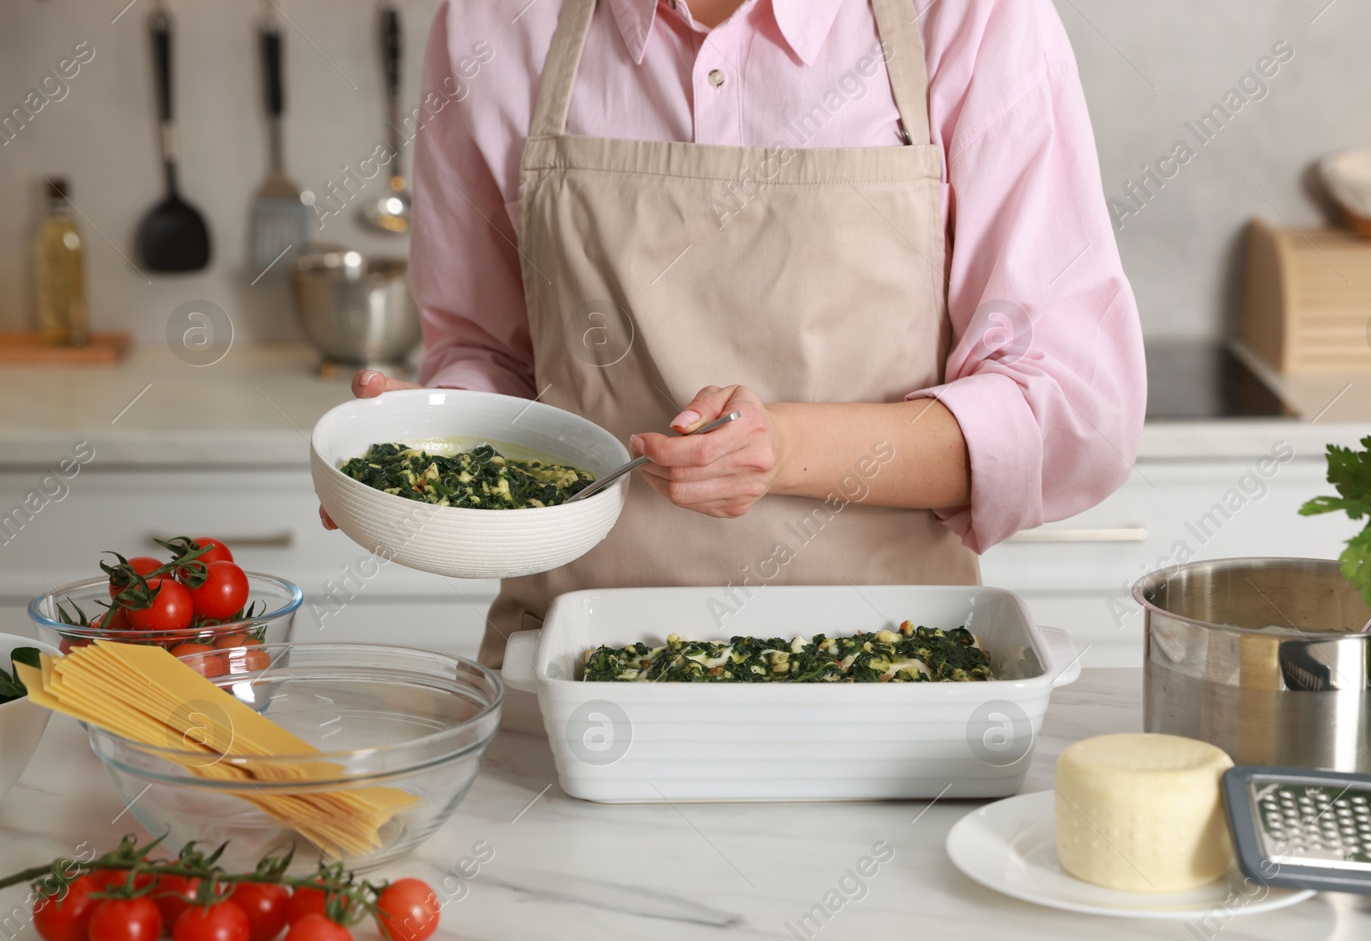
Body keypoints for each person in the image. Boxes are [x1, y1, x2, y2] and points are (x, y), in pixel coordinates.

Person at [328, 0, 1146, 665]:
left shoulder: (971, 17)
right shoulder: (493, 24)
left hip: (895, 687)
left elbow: (1072, 406)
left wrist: (785, 448)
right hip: (580, 688)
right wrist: (425, 445)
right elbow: (496, 358)